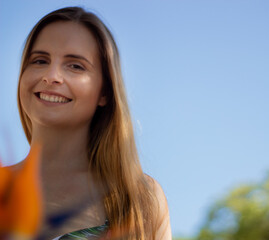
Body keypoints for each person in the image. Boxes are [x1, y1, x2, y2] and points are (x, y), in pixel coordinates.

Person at [15, 6, 171, 240]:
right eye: (39, 60)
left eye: (75, 65)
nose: (51, 75)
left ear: (105, 92)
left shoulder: (141, 201)